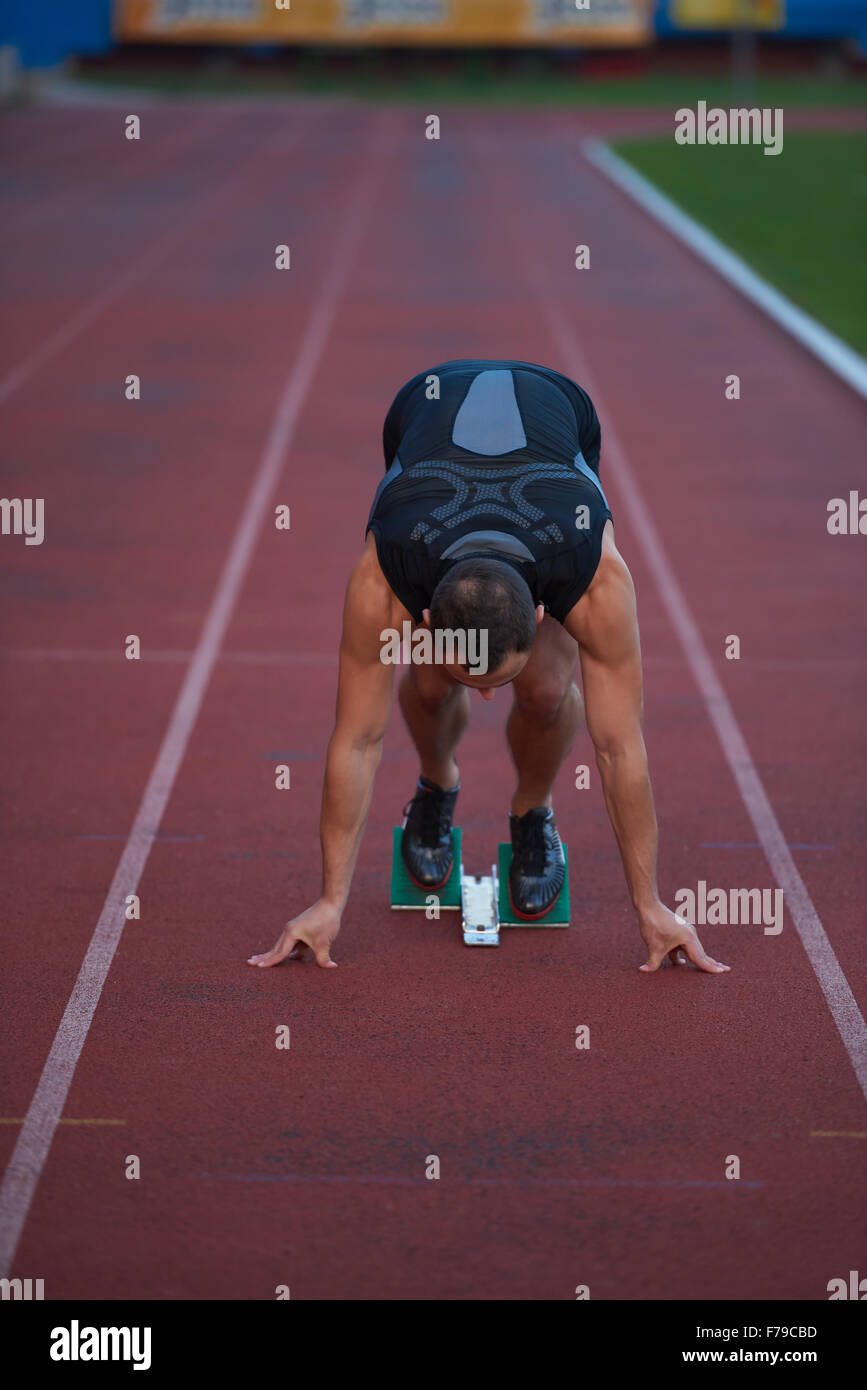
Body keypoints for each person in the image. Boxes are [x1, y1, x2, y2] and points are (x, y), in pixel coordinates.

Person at [248, 360, 730, 975]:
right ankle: (436, 784)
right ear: (423, 617)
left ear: (541, 614)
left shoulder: (591, 575)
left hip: (558, 419)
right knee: (425, 684)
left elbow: (620, 749)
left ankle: (533, 813)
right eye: (471, 678)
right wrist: (329, 901)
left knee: (549, 690)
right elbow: (357, 740)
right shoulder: (384, 578)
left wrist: (652, 905)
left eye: (494, 680)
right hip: (421, 411)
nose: (484, 699)